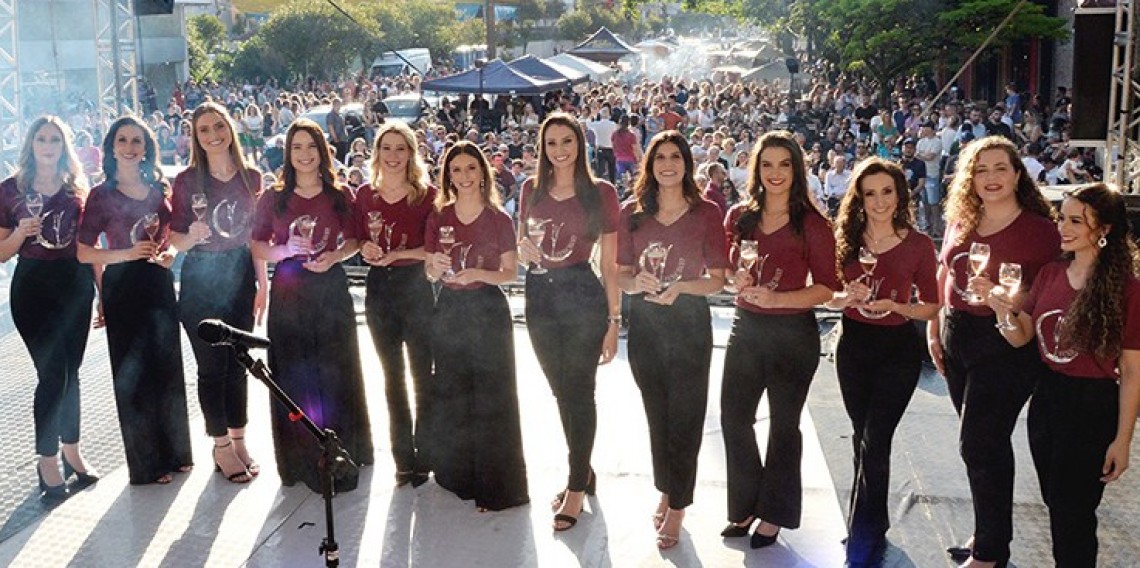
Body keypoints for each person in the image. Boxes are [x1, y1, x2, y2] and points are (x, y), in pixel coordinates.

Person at [987, 183, 1139, 568]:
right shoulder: (1051, 273)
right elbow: (1021, 337)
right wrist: (1002, 312)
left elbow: (1134, 371)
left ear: (1103, 229)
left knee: (1073, 513)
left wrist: (1123, 441)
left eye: (1076, 221)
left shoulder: (1128, 290)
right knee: (1057, 505)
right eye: (1062, 218)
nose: (1064, 228)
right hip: (1048, 401)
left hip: (1093, 406)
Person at [929, 136, 1060, 568]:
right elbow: (943, 270)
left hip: (1005, 343)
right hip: (957, 334)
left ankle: (990, 552)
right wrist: (934, 326)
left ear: (1018, 174)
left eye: (1000, 168)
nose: (990, 177)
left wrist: (1010, 299)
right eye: (980, 169)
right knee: (981, 445)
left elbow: (1051, 295)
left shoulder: (1041, 232)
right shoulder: (960, 218)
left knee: (980, 442)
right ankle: (987, 531)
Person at [719, 131, 840, 549]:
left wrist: (777, 298)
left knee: (784, 427)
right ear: (756, 169)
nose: (775, 173)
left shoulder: (813, 224)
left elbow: (826, 288)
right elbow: (726, 272)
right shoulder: (739, 216)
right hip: (746, 327)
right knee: (734, 418)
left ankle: (775, 513)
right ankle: (747, 503)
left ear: (796, 170)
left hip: (793, 335)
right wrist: (734, 278)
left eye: (784, 165)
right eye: (767, 164)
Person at [617, 131, 729, 549]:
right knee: (658, 417)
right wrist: (634, 282)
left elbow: (717, 280)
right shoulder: (632, 213)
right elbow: (621, 275)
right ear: (649, 165)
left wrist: (681, 286)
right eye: (660, 157)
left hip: (688, 325)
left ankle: (679, 505)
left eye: (675, 157)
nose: (668, 164)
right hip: (645, 325)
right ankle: (667, 487)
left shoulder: (707, 213)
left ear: (686, 163)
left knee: (686, 419)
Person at [250, 119, 374, 493]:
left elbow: (355, 240)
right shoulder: (273, 198)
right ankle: (303, 458)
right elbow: (256, 246)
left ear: (323, 151)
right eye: (297, 147)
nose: (304, 155)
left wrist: (335, 257)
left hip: (331, 291)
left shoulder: (340, 195)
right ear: (288, 153)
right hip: (290, 293)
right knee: (295, 377)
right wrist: (284, 250)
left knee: (337, 373)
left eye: (311, 146)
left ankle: (344, 451)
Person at [826, 158, 940, 566]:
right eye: (870, 193)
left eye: (886, 192)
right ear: (859, 197)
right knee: (862, 437)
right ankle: (874, 522)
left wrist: (898, 305)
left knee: (877, 439)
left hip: (896, 351)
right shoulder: (844, 238)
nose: (879, 201)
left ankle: (862, 535)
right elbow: (827, 295)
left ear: (899, 195)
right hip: (852, 347)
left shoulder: (919, 244)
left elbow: (931, 307)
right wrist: (845, 298)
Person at [516, 113, 621, 531]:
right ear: (543, 148)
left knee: (581, 392)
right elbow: (524, 241)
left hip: (582, 294)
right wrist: (523, 250)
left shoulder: (601, 193)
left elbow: (610, 264)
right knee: (561, 392)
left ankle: (576, 485)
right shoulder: (531, 189)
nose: (560, 150)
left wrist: (613, 320)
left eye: (567, 142)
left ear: (581, 145)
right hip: (540, 295)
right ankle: (583, 468)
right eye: (552, 143)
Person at [76, 116, 193, 485]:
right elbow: (83, 252)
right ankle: (146, 465)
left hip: (157, 282)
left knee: (168, 368)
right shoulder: (100, 195)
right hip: (122, 287)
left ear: (146, 147)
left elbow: (172, 237)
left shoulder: (159, 188)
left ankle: (176, 453)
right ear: (111, 146)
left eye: (137, 141)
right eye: (123, 140)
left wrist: (172, 254)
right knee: (133, 376)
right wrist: (125, 256)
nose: (130, 147)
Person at [423, 141, 529, 512]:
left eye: (471, 169)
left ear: (482, 173)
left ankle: (496, 486)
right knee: (453, 394)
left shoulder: (499, 218)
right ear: (447, 176)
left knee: (492, 397)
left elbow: (511, 271)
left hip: (486, 310)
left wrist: (477, 274)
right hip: (449, 309)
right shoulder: (439, 216)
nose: (464, 176)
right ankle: (459, 477)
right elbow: (429, 271)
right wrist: (435, 265)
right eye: (456, 170)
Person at [167, 102, 265, 484]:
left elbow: (258, 238)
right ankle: (220, 444)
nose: (212, 135)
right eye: (204, 129)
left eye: (218, 126)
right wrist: (188, 237)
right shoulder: (187, 180)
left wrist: (263, 286)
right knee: (212, 369)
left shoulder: (251, 177)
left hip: (240, 275)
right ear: (196, 137)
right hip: (201, 278)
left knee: (239, 364)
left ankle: (239, 438)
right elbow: (173, 237)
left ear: (230, 128)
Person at [0, 116, 98, 500]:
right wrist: (21, 234)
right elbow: (2, 253)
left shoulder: (78, 189)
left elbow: (89, 249)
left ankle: (72, 451)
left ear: (64, 145)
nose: (47, 145)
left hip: (75, 284)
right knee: (53, 373)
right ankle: (46, 459)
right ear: (30, 144)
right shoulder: (10, 190)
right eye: (41, 138)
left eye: (54, 139)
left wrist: (103, 292)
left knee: (72, 373)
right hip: (33, 287)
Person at [352, 122, 436, 488]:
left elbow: (435, 249)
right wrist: (365, 248)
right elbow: (356, 237)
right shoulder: (365, 195)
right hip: (379, 291)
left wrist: (400, 253)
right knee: (392, 377)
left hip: (415, 286)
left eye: (400, 148)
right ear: (377, 153)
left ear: (411, 153)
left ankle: (427, 453)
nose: (393, 155)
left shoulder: (427, 195)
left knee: (422, 375)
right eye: (386, 147)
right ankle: (403, 457)